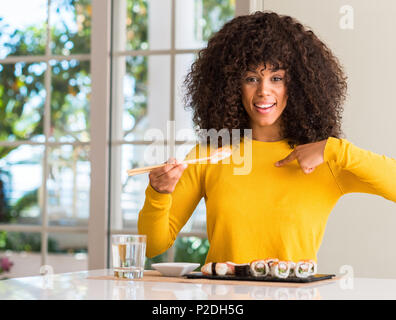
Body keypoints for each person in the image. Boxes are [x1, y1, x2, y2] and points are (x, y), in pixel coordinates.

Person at [137, 11, 396, 264]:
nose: (263, 91)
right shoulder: (211, 154)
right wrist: (159, 193)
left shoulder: (325, 158)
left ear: (297, 86)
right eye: (251, 78)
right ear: (231, 85)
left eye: (277, 78)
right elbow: (151, 246)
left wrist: (335, 150)